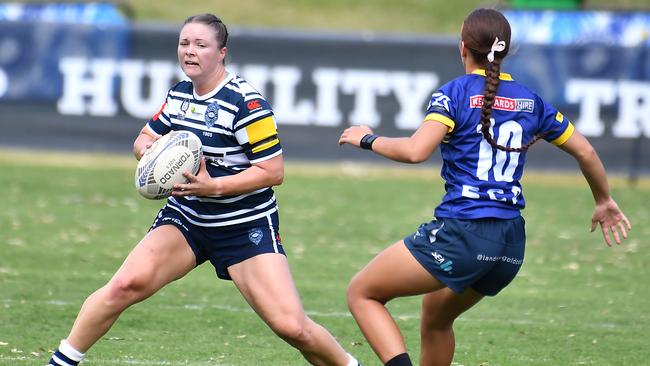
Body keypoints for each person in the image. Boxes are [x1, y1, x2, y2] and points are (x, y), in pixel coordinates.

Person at [47, 13, 360, 366]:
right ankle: (59, 363)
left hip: (244, 225)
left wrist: (215, 187)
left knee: (292, 327)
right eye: (184, 43)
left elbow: (273, 171)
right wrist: (152, 155)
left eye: (200, 45)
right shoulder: (180, 95)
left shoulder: (246, 103)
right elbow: (145, 138)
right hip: (188, 218)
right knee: (123, 286)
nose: (190, 51)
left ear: (221, 52)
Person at [338, 8, 631, 366]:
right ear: (506, 50)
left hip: (464, 234)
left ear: (463, 46)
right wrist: (603, 200)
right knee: (436, 315)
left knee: (362, 293)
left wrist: (367, 138)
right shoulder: (530, 100)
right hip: (510, 245)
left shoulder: (454, 94)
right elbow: (584, 149)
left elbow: (416, 151)